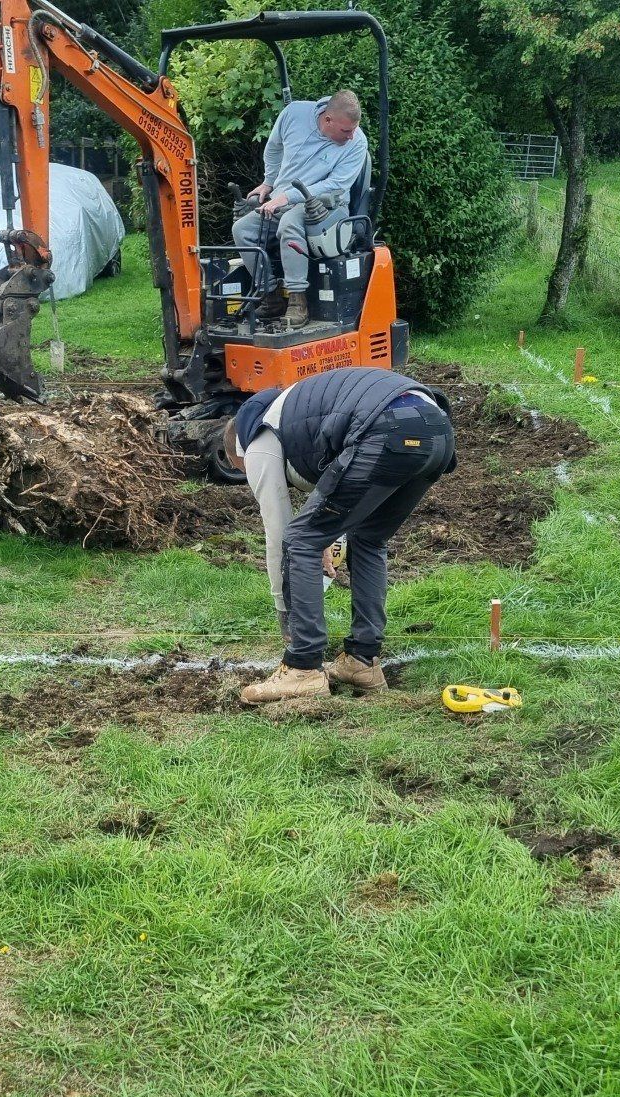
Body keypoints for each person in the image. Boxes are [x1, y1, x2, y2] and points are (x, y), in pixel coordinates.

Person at [223, 365, 456, 704]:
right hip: (436, 428)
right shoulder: (300, 413)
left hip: (386, 427)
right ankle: (362, 661)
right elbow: (341, 497)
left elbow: (281, 535)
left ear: (238, 455)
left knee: (299, 541)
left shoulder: (256, 438)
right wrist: (323, 537)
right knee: (370, 538)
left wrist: (284, 613)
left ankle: (302, 667)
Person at [230, 90, 368, 330]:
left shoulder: (357, 143)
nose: (351, 135)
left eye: (354, 129)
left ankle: (297, 301)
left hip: (328, 207)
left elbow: (336, 185)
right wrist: (269, 182)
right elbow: (273, 147)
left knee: (290, 222)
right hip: (286, 199)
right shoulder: (294, 114)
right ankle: (269, 294)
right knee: (243, 229)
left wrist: (285, 197)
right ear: (327, 119)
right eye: (346, 130)